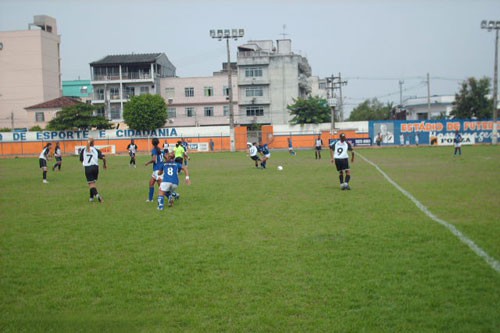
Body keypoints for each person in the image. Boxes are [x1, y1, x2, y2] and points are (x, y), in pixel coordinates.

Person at [79, 138, 107, 202]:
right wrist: (104, 165)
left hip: (88, 168)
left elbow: (81, 160)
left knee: (91, 184)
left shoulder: (84, 150)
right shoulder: (96, 150)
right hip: (95, 167)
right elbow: (103, 158)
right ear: (93, 143)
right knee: (92, 183)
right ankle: (91, 197)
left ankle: (98, 196)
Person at [145, 138, 164, 202]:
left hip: (157, 170)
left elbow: (154, 159)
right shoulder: (160, 149)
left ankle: (172, 195)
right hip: (158, 169)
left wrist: (147, 163)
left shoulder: (154, 150)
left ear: (152, 143)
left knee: (161, 186)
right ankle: (150, 199)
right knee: (151, 183)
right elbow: (166, 157)